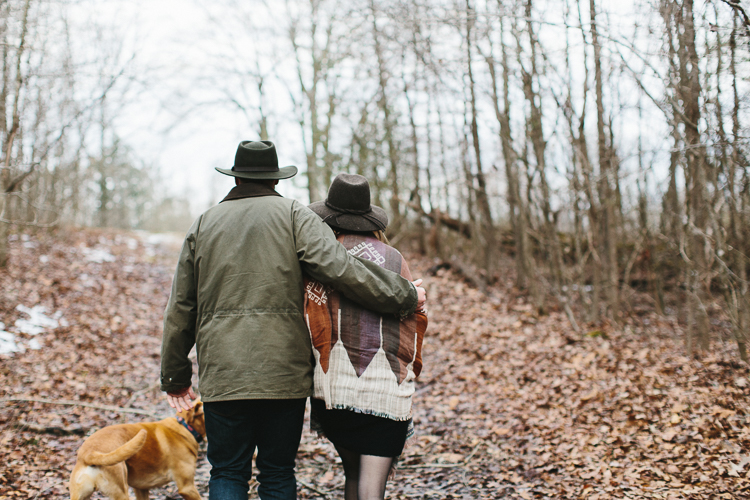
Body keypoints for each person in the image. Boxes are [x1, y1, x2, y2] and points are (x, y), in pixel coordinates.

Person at [160, 141, 426, 500]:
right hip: (283, 372)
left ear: (236, 177)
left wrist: (175, 376)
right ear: (275, 180)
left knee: (226, 471)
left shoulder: (204, 224)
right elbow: (343, 270)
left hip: (224, 372)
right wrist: (405, 295)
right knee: (277, 471)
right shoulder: (294, 215)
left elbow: (181, 307)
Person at [304, 173, 429, 500]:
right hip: (384, 396)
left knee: (353, 475)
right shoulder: (394, 259)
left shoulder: (322, 259)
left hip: (335, 393)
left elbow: (309, 319)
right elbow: (411, 319)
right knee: (372, 489)